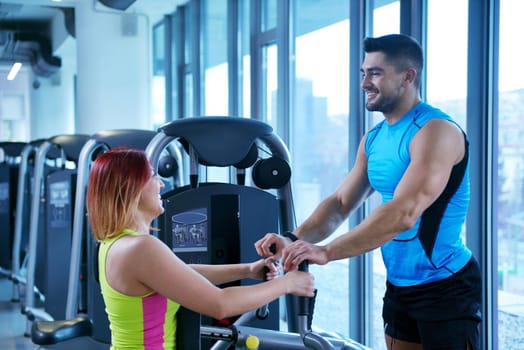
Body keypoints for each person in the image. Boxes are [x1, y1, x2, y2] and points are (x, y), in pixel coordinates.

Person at [255, 34, 481, 350]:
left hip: (445, 285)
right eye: (363, 73)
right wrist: (294, 239)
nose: (364, 83)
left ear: (408, 76)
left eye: (375, 73)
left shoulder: (436, 131)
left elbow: (404, 212)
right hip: (400, 285)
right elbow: (340, 203)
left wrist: (327, 251)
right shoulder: (374, 139)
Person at [86, 147, 315, 350]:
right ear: (131, 187)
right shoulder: (141, 248)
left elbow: (181, 273)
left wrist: (247, 270)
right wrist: (287, 283)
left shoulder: (116, 242)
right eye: (152, 176)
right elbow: (220, 304)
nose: (161, 183)